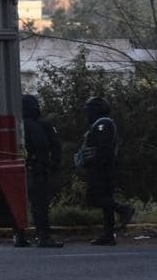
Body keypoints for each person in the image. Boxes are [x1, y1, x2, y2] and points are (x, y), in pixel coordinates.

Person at [77, 96, 134, 246]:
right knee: (105, 200)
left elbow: (103, 149)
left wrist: (93, 162)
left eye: (89, 111)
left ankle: (123, 209)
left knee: (94, 198)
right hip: (102, 168)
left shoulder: (103, 124)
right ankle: (108, 235)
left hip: (101, 169)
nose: (87, 115)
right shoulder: (100, 124)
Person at [22, 94, 63, 248]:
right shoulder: (42, 124)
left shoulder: (20, 124)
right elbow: (50, 145)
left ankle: (19, 236)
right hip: (38, 169)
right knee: (40, 205)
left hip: (23, 169)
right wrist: (53, 163)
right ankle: (43, 236)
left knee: (23, 203)